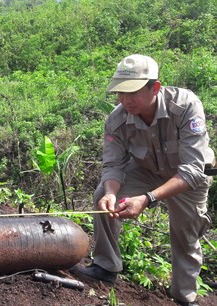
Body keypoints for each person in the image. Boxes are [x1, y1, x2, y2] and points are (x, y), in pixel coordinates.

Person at [72, 54, 214, 306]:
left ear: (155, 88)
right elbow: (113, 166)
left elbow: (193, 170)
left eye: (133, 93)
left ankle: (184, 297)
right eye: (120, 93)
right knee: (101, 196)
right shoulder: (116, 120)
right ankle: (106, 267)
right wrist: (111, 193)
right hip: (147, 170)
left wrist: (147, 199)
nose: (125, 100)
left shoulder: (185, 107)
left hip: (186, 177)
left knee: (185, 235)